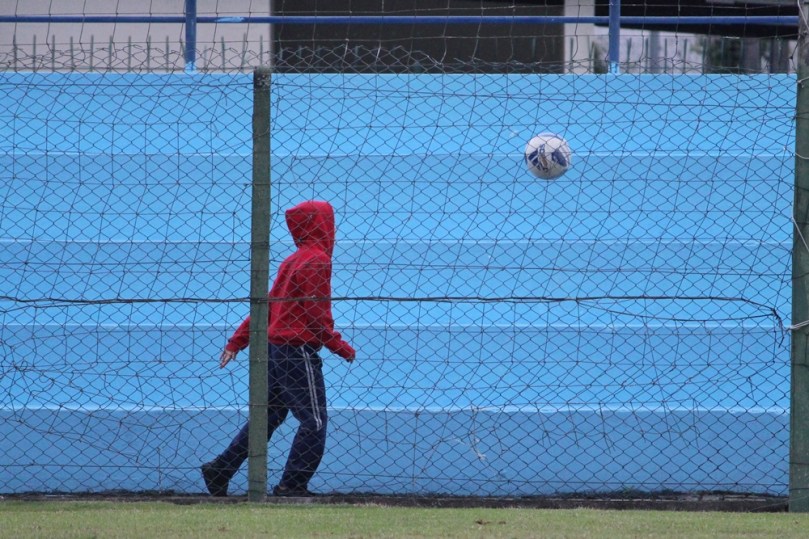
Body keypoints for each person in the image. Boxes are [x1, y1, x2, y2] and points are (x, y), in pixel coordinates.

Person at [201, 200, 356, 497]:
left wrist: (238, 340)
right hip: (297, 351)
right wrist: (339, 346)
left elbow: (267, 308)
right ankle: (292, 485)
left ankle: (221, 469)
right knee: (314, 420)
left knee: (268, 417)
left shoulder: (293, 260)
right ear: (324, 225)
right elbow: (316, 312)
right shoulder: (317, 260)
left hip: (275, 349)